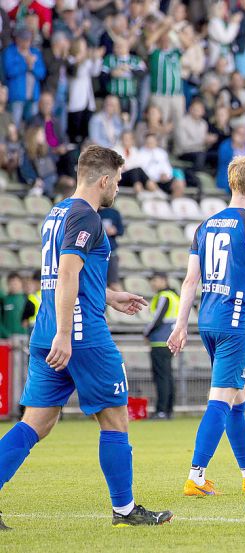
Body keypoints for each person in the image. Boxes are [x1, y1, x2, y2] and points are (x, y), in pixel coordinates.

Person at [0, 146, 171, 530]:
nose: (118, 188)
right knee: (114, 420)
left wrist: (109, 295)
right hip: (79, 335)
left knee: (37, 423)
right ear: (105, 179)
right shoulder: (87, 216)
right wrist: (66, 333)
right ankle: (125, 509)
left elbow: (70, 275)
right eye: (119, 181)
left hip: (48, 331)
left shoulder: (57, 212)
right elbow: (66, 275)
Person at [168, 157, 245, 497]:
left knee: (240, 395)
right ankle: (196, 476)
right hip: (235, 321)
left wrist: (181, 325)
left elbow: (190, 280)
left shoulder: (205, 226)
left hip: (208, 319)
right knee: (222, 399)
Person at [144, 273, 178, 420]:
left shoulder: (164, 296)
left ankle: (161, 411)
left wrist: (146, 333)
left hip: (160, 341)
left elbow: (157, 319)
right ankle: (169, 409)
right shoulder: (175, 296)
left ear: (164, 280)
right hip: (170, 341)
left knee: (161, 378)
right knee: (168, 376)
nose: (153, 283)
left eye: (155, 280)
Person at [98, 204, 125, 291]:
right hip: (95, 253)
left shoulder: (114, 213)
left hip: (111, 253)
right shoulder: (92, 212)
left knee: (113, 283)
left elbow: (121, 231)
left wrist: (114, 230)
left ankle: (126, 303)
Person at [0, 274, 27, 338]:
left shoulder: (26, 299)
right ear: (8, 284)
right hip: (7, 337)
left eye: (16, 283)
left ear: (21, 284)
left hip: (23, 336)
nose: (14, 286)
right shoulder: (4, 300)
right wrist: (6, 334)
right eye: (11, 283)